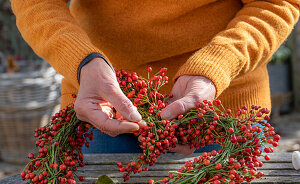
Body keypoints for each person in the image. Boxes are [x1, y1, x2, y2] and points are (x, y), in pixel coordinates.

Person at [11, 0, 300, 154]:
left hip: (223, 107)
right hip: (102, 107)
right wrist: (83, 60)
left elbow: (275, 4)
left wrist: (216, 66)